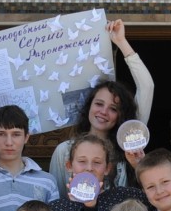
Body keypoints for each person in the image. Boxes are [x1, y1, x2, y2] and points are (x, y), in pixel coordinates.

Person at [49, 19, 154, 194]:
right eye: (99, 104)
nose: (103, 112)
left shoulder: (128, 144)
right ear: (89, 106)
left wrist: (121, 42)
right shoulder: (64, 151)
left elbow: (147, 87)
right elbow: (57, 198)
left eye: (113, 109)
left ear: (121, 115)